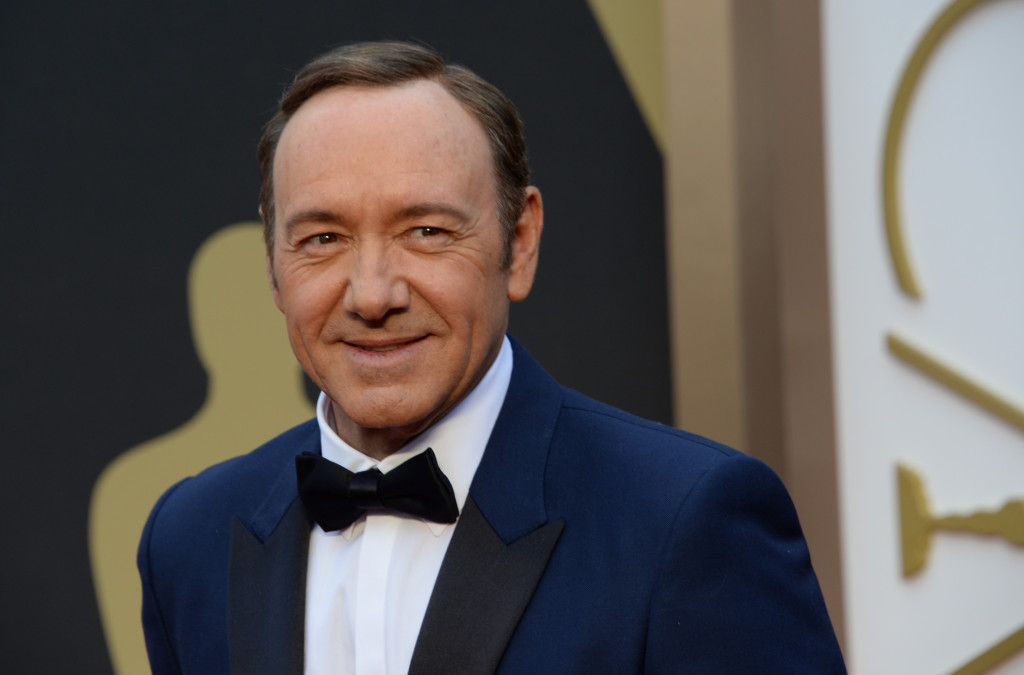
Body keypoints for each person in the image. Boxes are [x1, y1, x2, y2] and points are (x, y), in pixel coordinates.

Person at [138, 40, 845, 674]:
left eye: (425, 230)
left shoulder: (685, 522)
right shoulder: (190, 538)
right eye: (323, 238)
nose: (373, 293)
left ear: (521, 242)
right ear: (272, 262)